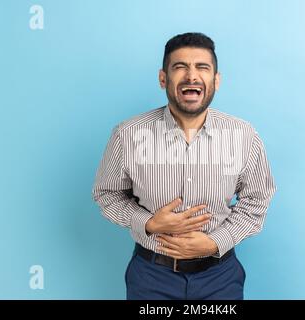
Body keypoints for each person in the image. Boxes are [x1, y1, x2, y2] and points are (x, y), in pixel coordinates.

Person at [92, 32, 276, 300]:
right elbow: (106, 194)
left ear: (216, 80)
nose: (192, 76)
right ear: (163, 78)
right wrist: (149, 223)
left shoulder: (243, 135)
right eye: (180, 67)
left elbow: (257, 200)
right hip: (151, 277)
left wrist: (216, 241)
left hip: (220, 277)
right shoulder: (127, 134)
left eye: (202, 67)